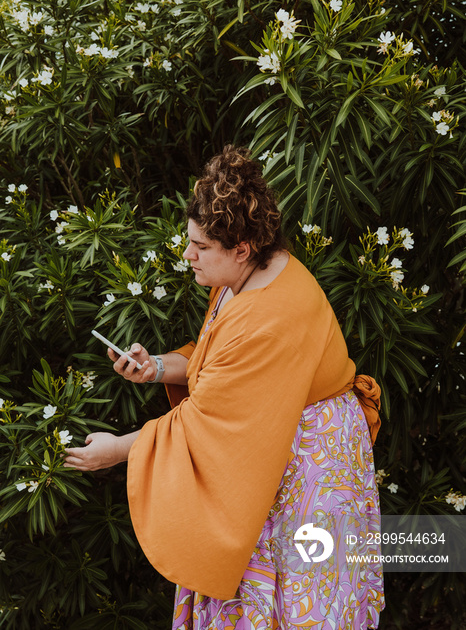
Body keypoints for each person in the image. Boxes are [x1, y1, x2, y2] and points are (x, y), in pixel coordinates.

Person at [64, 145, 385, 629]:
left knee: (298, 599)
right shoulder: (242, 276)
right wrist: (156, 368)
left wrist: (118, 450)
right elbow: (214, 361)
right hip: (268, 447)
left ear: (241, 247)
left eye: (201, 247)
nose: (188, 254)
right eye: (189, 239)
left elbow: (208, 415)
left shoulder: (271, 314)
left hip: (304, 466)